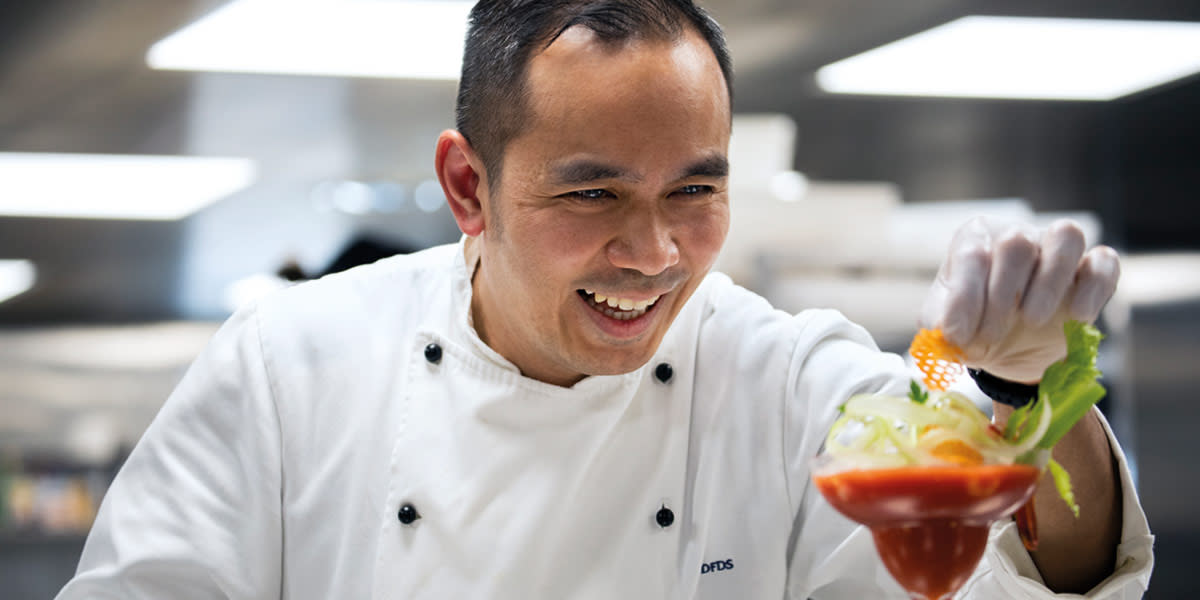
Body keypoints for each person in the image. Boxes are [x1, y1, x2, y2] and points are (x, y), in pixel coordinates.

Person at [58, 1, 1153, 598]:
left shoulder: (781, 372)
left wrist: (1017, 380)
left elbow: (1002, 529)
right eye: (594, 195)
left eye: (696, 189)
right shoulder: (289, 367)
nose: (656, 253)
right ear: (466, 187)